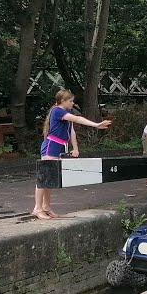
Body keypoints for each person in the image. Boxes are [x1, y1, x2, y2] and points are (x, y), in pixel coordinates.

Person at [32, 89, 112, 220]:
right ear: (62, 101)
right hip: (51, 148)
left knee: (49, 179)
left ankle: (46, 207)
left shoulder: (66, 112)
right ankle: (37, 208)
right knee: (43, 178)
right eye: (70, 101)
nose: (72, 103)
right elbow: (77, 119)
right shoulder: (58, 111)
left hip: (58, 147)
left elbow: (72, 131)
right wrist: (96, 124)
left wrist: (75, 148)